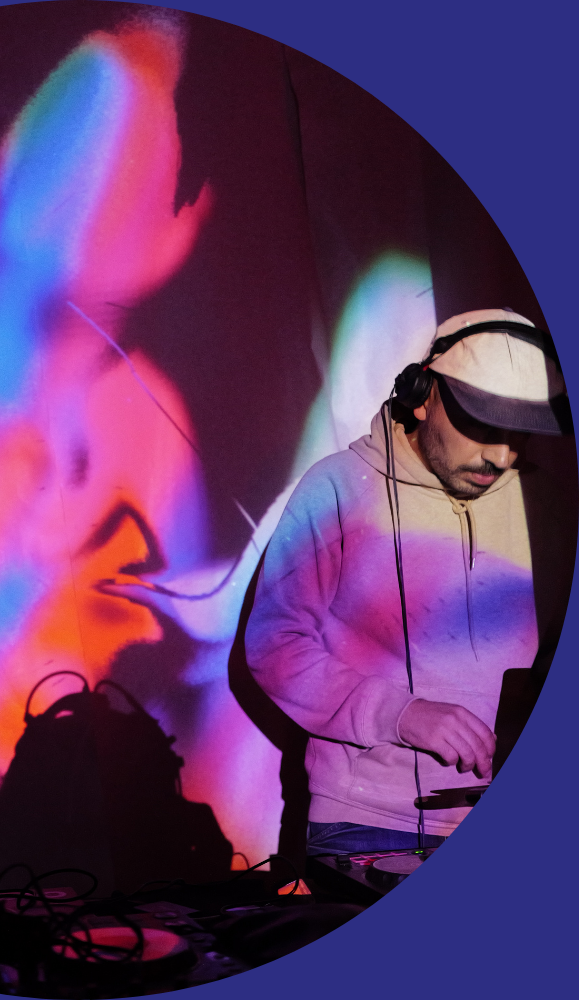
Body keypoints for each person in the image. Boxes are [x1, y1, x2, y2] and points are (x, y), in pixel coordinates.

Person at [243, 308, 575, 856]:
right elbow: (274, 646)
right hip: (368, 820)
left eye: (518, 433)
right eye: (482, 425)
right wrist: (400, 714)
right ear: (422, 395)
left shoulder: (547, 505)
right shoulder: (338, 488)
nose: (500, 456)